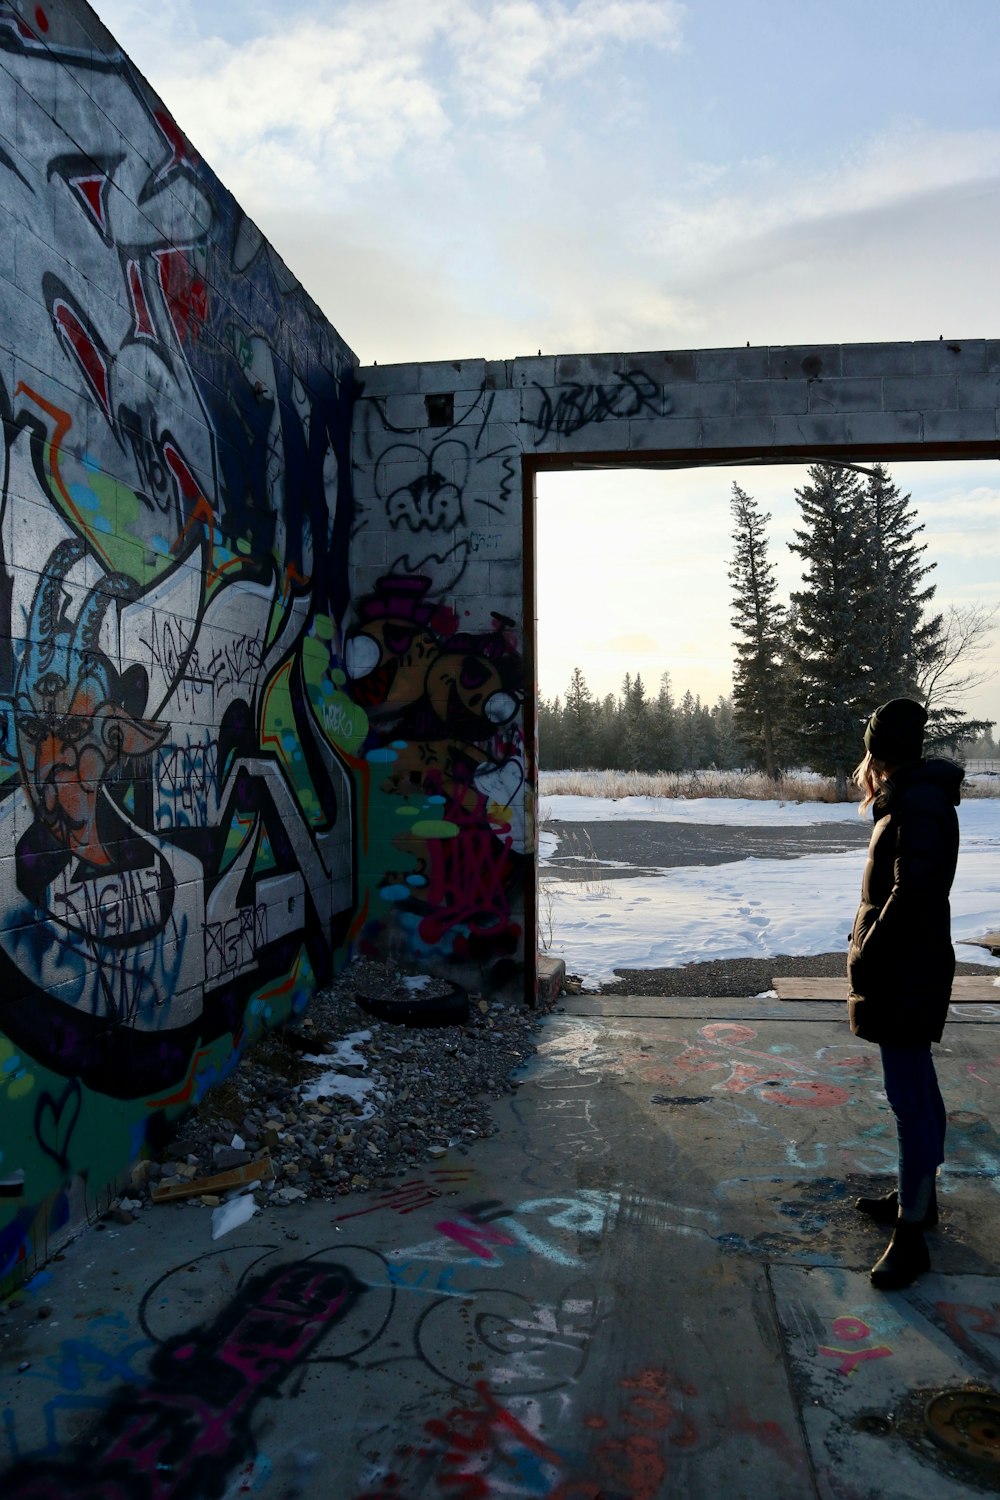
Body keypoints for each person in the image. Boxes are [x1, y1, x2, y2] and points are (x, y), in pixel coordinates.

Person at [846, 697, 962, 1290]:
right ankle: (920, 1198)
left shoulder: (917, 804)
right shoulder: (915, 800)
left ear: (879, 754)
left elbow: (912, 892)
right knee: (917, 1086)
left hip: (905, 970)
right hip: (910, 966)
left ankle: (912, 1234)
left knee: (907, 1095)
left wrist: (869, 952)